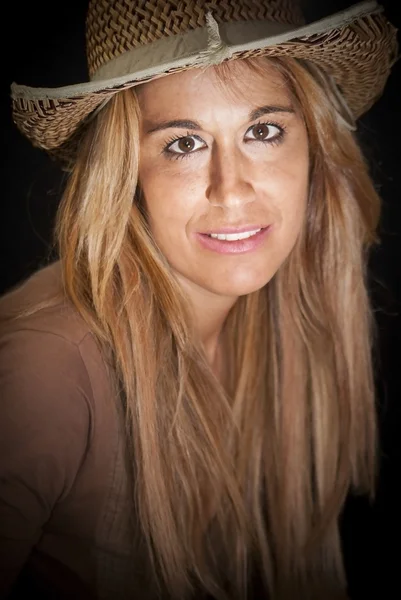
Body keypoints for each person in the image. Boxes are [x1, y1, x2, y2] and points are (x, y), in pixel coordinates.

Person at [0, 0, 398, 599]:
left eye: (263, 132)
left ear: (313, 148)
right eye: (184, 144)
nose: (230, 189)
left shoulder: (281, 324)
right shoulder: (48, 369)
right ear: (126, 171)